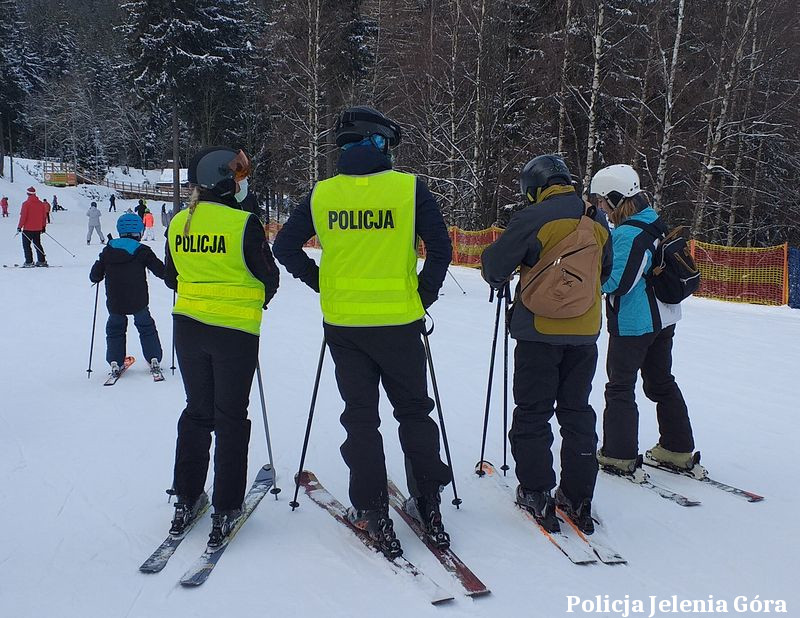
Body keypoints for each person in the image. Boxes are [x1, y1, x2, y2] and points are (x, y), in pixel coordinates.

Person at [273, 106, 453, 557]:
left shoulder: (323, 194)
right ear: (378, 143)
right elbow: (442, 248)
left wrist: (322, 284)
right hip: (399, 322)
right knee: (413, 412)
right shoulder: (408, 189)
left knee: (361, 419)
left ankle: (372, 510)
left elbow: (285, 246)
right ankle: (428, 502)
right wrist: (422, 295)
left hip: (346, 325)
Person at [480, 154, 612, 535]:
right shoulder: (597, 218)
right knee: (577, 412)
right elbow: (605, 269)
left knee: (533, 412)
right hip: (584, 330)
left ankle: (537, 491)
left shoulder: (533, 216)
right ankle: (578, 496)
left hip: (539, 330)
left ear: (534, 187)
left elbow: (494, 266)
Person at [164, 147, 279, 548]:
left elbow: (170, 274)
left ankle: (187, 496)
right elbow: (269, 276)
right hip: (233, 331)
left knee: (198, 412)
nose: (242, 182)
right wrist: (256, 297)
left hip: (189, 328)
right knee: (230, 418)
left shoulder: (180, 221)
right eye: (239, 176)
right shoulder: (244, 222)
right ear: (225, 181)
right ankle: (226, 506)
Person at [589, 165, 696, 475]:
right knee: (661, 381)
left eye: (600, 200)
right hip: (663, 319)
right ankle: (676, 448)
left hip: (636, 324)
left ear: (614, 198)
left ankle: (618, 454)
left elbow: (616, 283)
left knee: (620, 386)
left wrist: (589, 276)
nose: (599, 207)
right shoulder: (653, 221)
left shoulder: (628, 234)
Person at [90, 213, 165, 378]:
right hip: (138, 300)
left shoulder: (109, 250)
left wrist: (96, 276)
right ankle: (154, 357)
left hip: (116, 301)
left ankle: (115, 361)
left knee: (115, 329)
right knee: (146, 327)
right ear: (139, 230)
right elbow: (160, 271)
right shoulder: (142, 251)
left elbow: (95, 274)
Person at [17, 187, 48, 267]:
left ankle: (29, 262)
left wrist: (19, 226)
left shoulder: (26, 204)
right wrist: (43, 226)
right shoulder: (41, 204)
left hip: (28, 229)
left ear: (28, 194)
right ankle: (42, 261)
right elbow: (44, 216)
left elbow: (23, 216)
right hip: (38, 228)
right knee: (37, 244)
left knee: (26, 245)